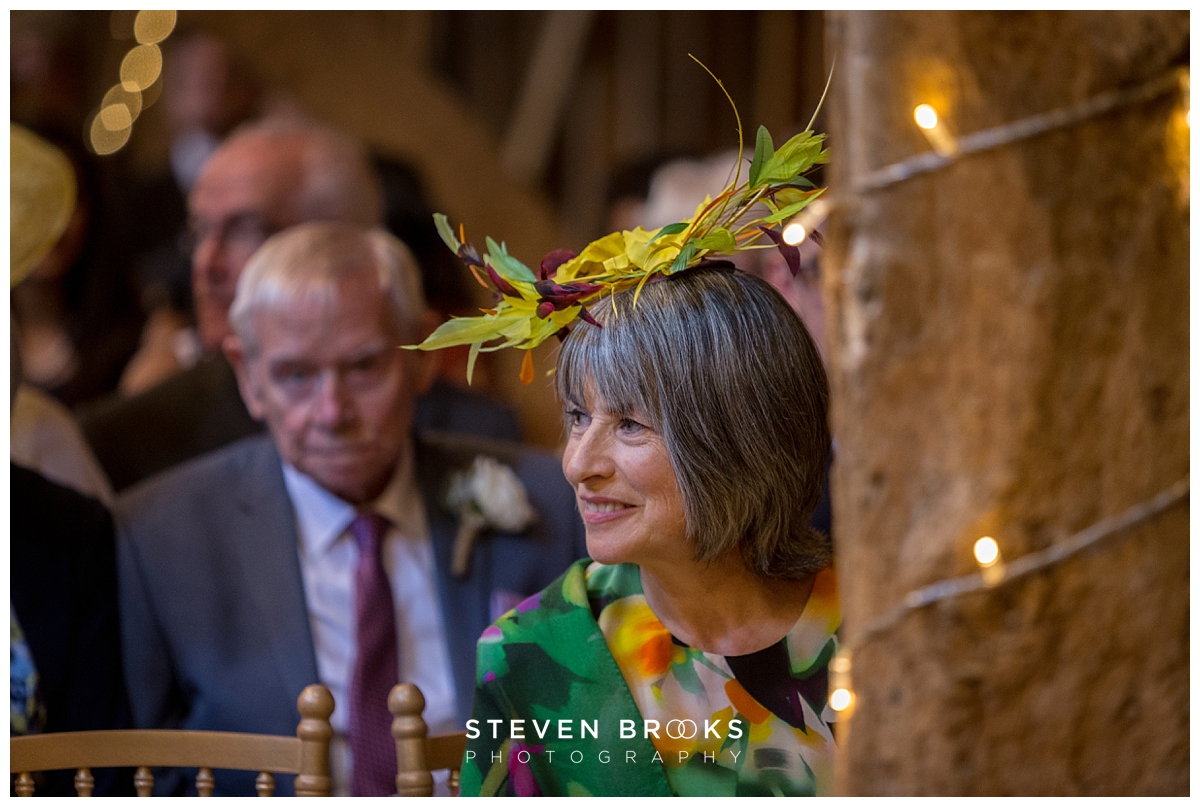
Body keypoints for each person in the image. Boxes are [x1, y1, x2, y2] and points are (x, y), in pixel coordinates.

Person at [410, 124, 836, 796]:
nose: (578, 464)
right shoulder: (535, 652)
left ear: (741, 437)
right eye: (577, 418)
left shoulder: (875, 631)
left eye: (630, 425)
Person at [116, 223, 587, 796]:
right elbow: (143, 769)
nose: (332, 411)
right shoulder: (162, 534)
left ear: (421, 354)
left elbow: (593, 732)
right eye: (295, 375)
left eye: (363, 368)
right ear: (247, 374)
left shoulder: (549, 500)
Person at [81, 119, 521, 494]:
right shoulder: (129, 443)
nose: (205, 264)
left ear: (337, 241)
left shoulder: (480, 435)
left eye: (243, 231)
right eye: (199, 233)